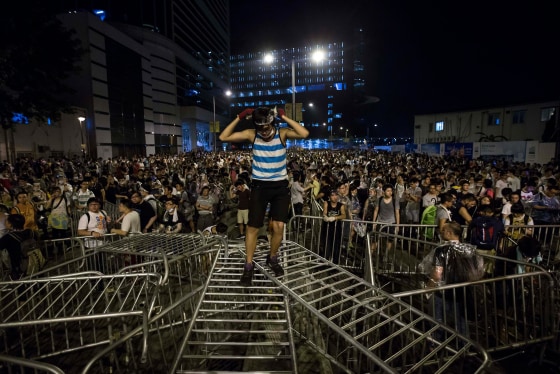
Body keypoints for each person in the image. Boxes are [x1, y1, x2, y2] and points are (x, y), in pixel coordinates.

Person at [219, 106, 309, 286]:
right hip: (260, 186)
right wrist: (239, 116)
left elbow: (304, 133)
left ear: (272, 122)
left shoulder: (282, 133)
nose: (265, 131)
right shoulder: (252, 135)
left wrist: (284, 116)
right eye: (261, 128)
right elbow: (223, 137)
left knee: (279, 226)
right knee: (253, 227)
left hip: (280, 186)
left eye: (267, 127)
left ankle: (272, 257)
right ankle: (248, 265)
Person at [0, 214, 38, 279]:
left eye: (6, 221)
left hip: (19, 268)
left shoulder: (8, 237)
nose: (5, 222)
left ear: (10, 224)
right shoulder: (31, 232)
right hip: (35, 262)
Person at [321, 190, 346, 264]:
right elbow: (325, 212)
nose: (335, 197)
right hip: (327, 228)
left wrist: (335, 218)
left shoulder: (341, 205)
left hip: (337, 229)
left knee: (336, 247)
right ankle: (325, 262)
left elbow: (344, 215)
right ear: (329, 197)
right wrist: (325, 216)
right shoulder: (326, 203)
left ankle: (335, 264)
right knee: (327, 246)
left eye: (336, 195)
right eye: (333, 195)